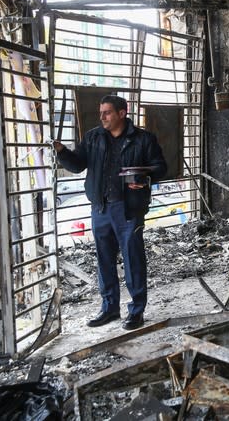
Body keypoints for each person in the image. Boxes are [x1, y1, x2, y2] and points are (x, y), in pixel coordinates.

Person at [53, 95, 167, 330]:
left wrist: (144, 178)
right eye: (101, 112)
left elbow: (160, 167)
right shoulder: (94, 137)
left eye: (107, 112)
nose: (102, 117)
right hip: (100, 208)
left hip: (128, 209)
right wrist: (62, 150)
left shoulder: (143, 139)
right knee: (104, 260)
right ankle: (109, 308)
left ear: (122, 113)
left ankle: (136, 311)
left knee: (133, 259)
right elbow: (76, 165)